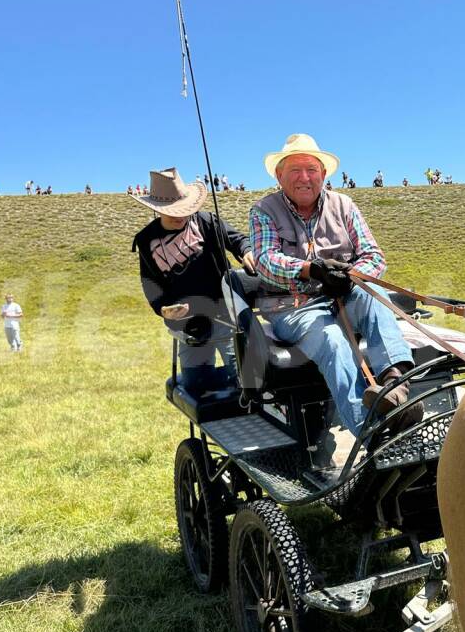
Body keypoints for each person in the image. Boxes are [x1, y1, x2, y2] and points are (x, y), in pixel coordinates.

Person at [250, 133, 422, 439]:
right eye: (294, 170)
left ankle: (396, 385)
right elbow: (265, 261)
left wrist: (351, 276)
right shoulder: (264, 210)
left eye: (311, 170)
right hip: (293, 307)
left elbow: (373, 256)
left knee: (376, 294)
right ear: (279, 175)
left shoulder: (344, 205)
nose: (304, 178)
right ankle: (371, 433)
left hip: (345, 296)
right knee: (331, 339)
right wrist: (310, 270)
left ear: (323, 174)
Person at [132, 167, 255, 395]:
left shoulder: (206, 221)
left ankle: (240, 392)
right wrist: (163, 308)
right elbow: (150, 283)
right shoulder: (146, 240)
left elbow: (237, 239)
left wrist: (247, 251)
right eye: (172, 211)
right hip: (189, 324)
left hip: (225, 314)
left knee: (246, 378)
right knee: (196, 385)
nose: (179, 216)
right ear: (157, 209)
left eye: (183, 209)